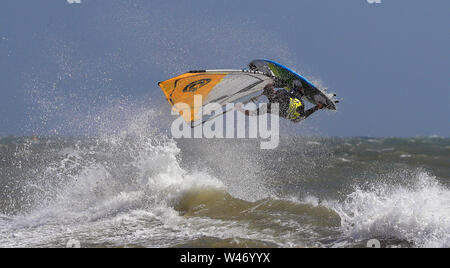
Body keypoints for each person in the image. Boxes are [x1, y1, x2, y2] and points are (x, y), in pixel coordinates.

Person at [235, 80, 324, 123]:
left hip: (295, 114)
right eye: (273, 89)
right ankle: (299, 89)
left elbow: (251, 114)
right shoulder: (281, 94)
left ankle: (300, 91)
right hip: (296, 108)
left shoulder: (267, 108)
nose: (274, 90)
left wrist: (239, 109)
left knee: (295, 117)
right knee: (292, 88)